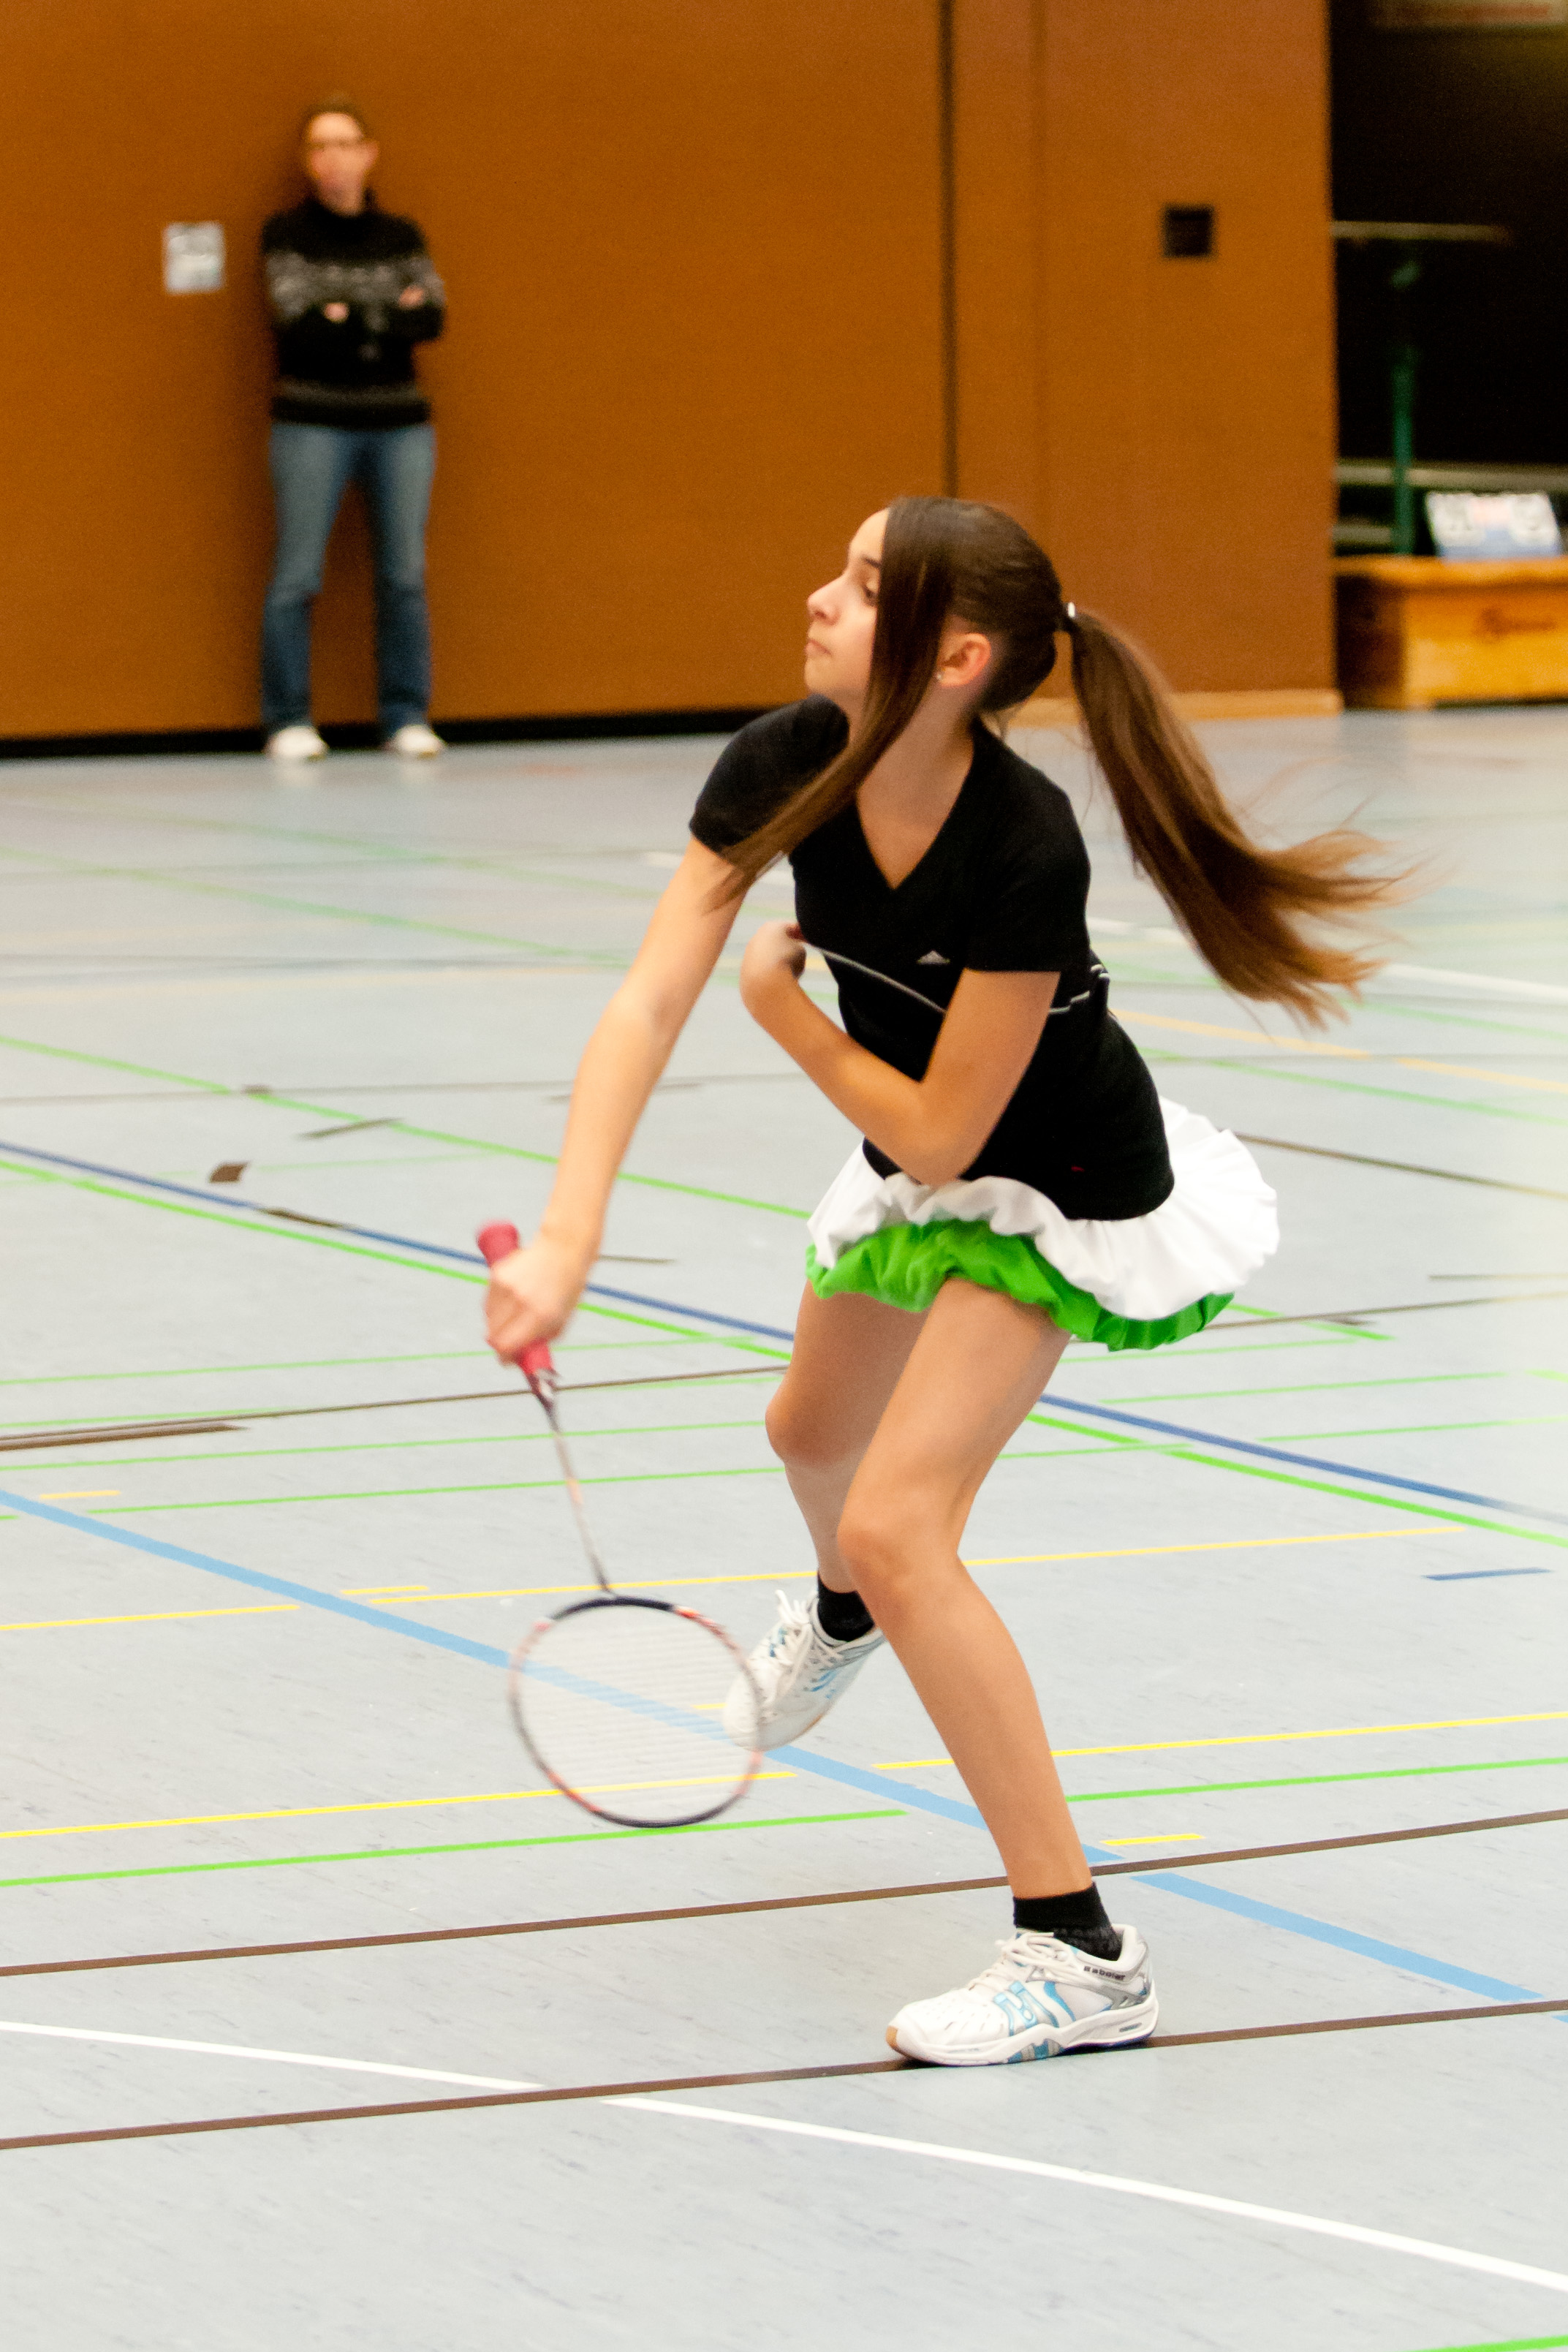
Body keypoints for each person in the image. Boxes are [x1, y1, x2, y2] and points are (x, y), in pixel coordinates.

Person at [483, 496, 1398, 2068]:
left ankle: (1079, 1952)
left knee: (903, 1526)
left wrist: (786, 1016)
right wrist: (569, 1234)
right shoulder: (783, 762)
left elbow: (940, 1131)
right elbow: (644, 1001)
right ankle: (837, 1615)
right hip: (924, 1157)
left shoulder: (1019, 847)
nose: (817, 597)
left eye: (861, 584)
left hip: (1055, 1181)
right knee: (806, 1435)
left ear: (955, 657)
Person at [260, 99, 446, 763]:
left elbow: (430, 316)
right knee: (298, 573)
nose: (332, 157)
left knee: (403, 575)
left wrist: (345, 314)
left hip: (399, 425)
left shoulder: (401, 235)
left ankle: (404, 713)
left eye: (344, 143)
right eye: (319, 146)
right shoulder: (287, 235)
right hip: (311, 422)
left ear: (369, 153)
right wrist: (384, 314)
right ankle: (288, 717)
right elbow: (297, 320)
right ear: (307, 162)